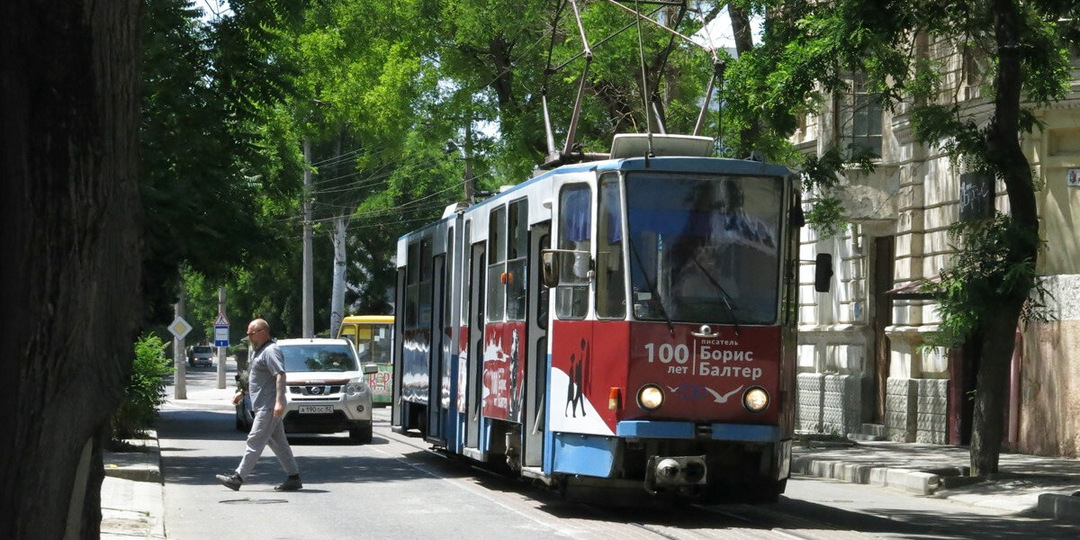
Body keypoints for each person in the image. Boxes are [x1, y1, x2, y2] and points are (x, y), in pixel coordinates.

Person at [216, 318, 302, 491]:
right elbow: (260, 380)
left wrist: (278, 401)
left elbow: (280, 375)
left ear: (263, 332)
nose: (249, 337)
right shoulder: (259, 351)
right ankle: (294, 477)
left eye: (251, 333)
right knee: (278, 442)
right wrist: (242, 393)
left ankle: (238, 478)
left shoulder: (271, 350)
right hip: (264, 405)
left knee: (255, 440)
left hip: (268, 406)